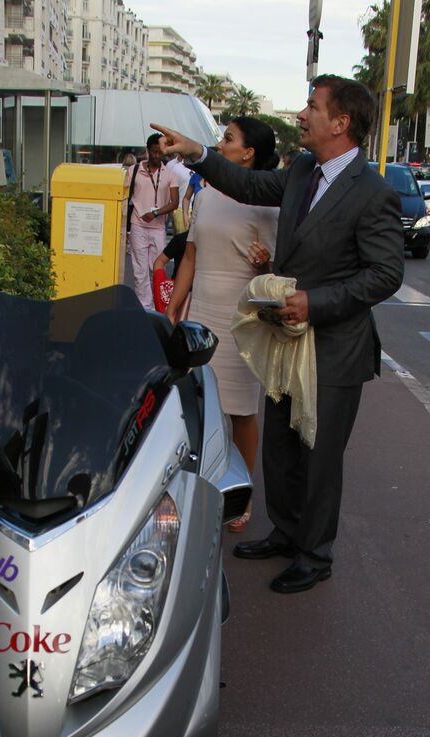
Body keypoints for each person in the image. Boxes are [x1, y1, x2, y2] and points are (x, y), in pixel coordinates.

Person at [151, 74, 404, 592]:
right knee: (283, 447)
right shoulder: (303, 170)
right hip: (284, 341)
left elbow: (385, 275)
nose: (301, 115)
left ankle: (315, 553)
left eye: (312, 106)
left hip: (333, 347)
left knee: (320, 455)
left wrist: (315, 301)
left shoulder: (373, 193)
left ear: (341, 122)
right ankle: (286, 532)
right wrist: (199, 153)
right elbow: (245, 184)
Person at [166, 117, 280, 532]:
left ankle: (241, 494)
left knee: (241, 411)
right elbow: (191, 255)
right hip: (203, 314)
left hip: (243, 318)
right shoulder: (209, 192)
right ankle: (201, 485)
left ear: (248, 153)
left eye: (227, 139)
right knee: (199, 405)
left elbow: (276, 267)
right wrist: (176, 305)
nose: (220, 142)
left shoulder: (267, 201)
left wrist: (264, 262)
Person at [128, 134, 179, 309]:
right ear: (148, 151)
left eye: (160, 153)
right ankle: (145, 307)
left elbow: (174, 202)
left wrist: (156, 213)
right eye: (154, 152)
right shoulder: (133, 171)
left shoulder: (170, 174)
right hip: (138, 225)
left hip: (158, 226)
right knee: (139, 268)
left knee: (156, 268)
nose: (157, 156)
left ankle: (157, 305)